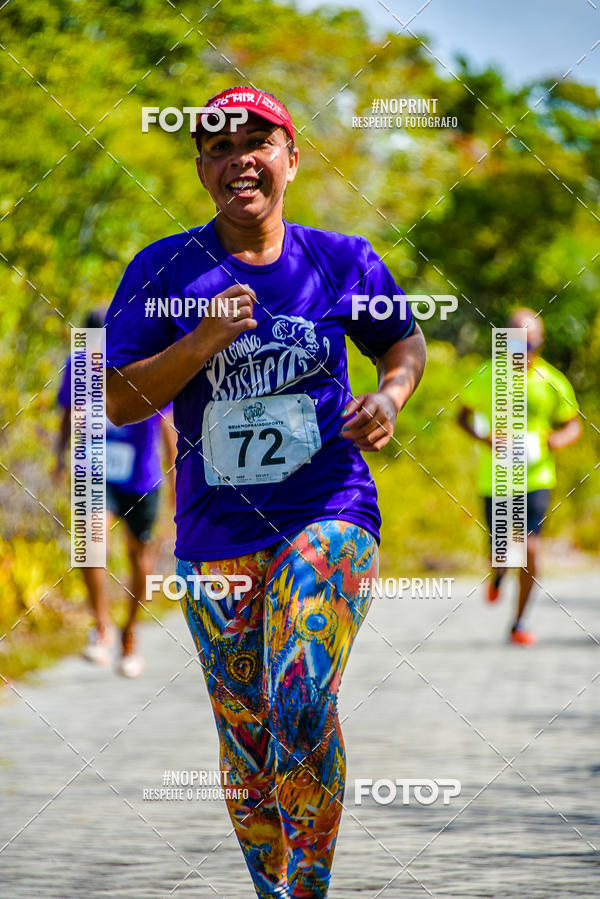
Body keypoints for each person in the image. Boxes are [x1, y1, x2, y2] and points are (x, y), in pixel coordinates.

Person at [105, 87, 426, 897]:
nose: (237, 157)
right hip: (216, 534)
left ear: (291, 156)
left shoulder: (342, 261)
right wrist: (204, 336)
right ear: (201, 167)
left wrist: (390, 397)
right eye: (217, 145)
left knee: (300, 693)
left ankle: (309, 886)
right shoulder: (164, 269)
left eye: (257, 140)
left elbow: (402, 341)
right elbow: (116, 400)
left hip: (329, 509)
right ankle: (272, 888)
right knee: (247, 731)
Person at [54, 309, 177, 677]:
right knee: (92, 545)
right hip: (94, 470)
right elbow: (66, 413)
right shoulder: (77, 366)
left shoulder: (144, 366)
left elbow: (166, 427)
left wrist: (175, 481)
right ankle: (102, 628)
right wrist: (60, 457)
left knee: (141, 559)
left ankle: (129, 633)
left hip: (140, 479)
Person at [458, 307, 581, 645]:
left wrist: (557, 439)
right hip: (495, 478)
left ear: (540, 344)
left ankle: (519, 623)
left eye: (532, 346)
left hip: (537, 477)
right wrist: (484, 440)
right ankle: (498, 576)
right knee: (503, 552)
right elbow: (461, 417)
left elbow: (573, 424)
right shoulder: (486, 375)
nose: (525, 354)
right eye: (517, 345)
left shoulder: (552, 381)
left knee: (529, 548)